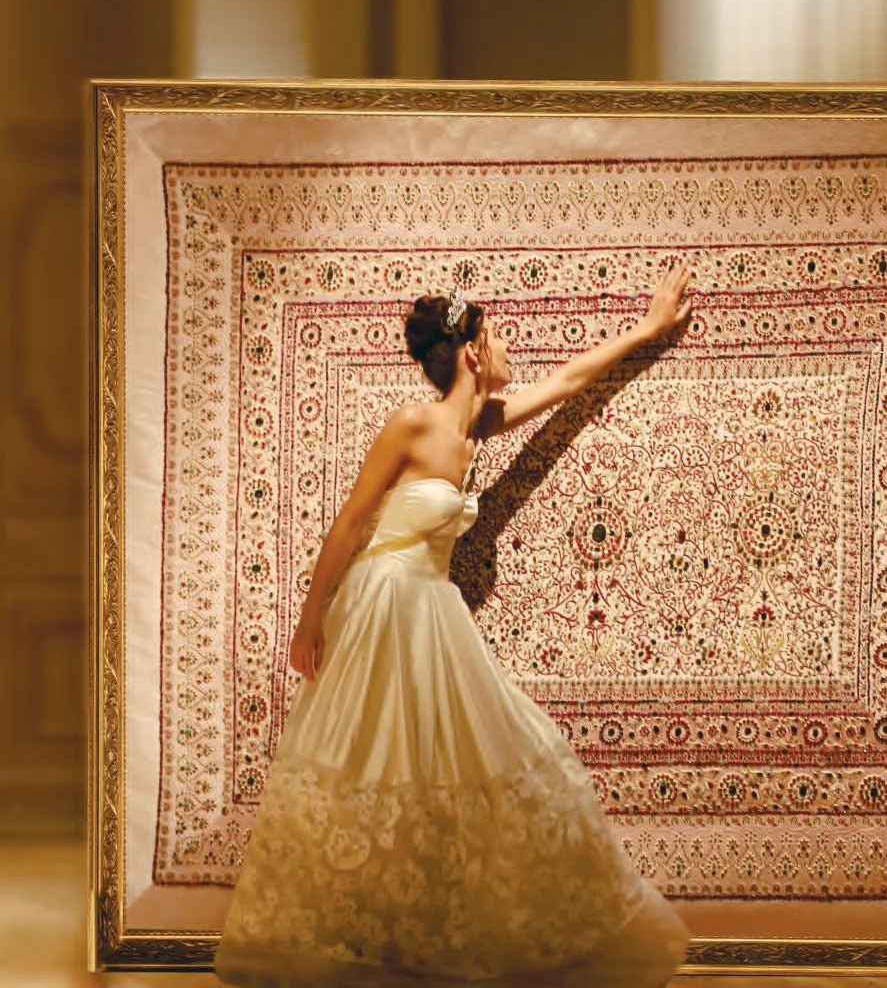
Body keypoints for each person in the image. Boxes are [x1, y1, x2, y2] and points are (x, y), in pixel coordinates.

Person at [214, 265, 695, 988]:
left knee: (451, 760)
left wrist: (648, 327)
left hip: (430, 605)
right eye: (496, 335)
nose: (507, 350)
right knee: (373, 758)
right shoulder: (412, 423)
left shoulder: (481, 425)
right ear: (472, 351)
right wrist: (309, 618)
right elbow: (349, 522)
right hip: (384, 603)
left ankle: (422, 925)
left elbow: (566, 382)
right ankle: (349, 930)